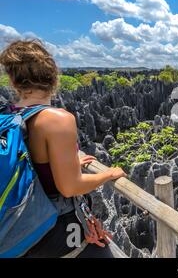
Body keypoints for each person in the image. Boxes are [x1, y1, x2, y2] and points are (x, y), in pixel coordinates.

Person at [0, 40, 126, 258]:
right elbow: (70, 187)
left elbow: (31, 165)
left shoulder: (9, 116)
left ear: (13, 81)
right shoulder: (57, 119)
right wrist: (109, 174)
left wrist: (69, 163)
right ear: (54, 76)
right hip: (53, 230)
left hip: (18, 228)